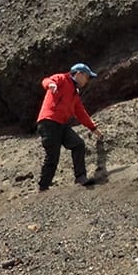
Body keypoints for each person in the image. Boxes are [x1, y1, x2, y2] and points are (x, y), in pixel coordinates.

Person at [37, 63, 102, 191]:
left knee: (78, 144)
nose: (87, 81)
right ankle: (43, 187)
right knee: (53, 156)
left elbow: (80, 112)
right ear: (79, 74)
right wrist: (51, 85)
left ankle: (80, 177)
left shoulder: (75, 93)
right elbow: (46, 80)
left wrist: (93, 128)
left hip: (61, 124)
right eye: (87, 77)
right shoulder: (62, 79)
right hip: (48, 122)